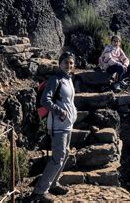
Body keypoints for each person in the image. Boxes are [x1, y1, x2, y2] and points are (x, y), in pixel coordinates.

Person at [29, 52, 77, 202]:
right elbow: (45, 100)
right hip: (58, 125)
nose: (68, 65)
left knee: (64, 155)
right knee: (57, 158)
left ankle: (54, 184)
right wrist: (59, 111)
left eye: (71, 63)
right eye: (65, 62)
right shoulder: (55, 80)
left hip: (67, 124)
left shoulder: (68, 79)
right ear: (59, 63)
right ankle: (39, 192)